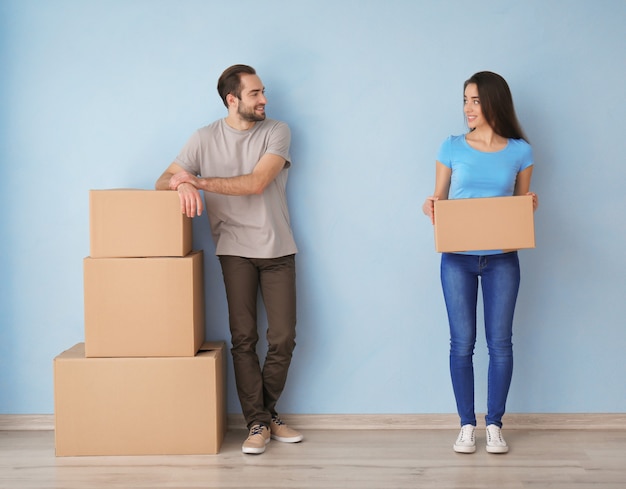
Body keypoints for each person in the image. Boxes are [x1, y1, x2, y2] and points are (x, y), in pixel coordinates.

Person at [156, 64, 302, 455]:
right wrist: (178, 181)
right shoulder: (204, 138)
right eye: (255, 94)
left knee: (283, 338)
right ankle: (258, 422)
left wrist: (194, 181)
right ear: (232, 99)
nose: (264, 100)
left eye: (263, 92)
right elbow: (161, 180)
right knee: (244, 339)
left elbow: (256, 183)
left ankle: (266, 415)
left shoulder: (276, 131)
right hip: (234, 250)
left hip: (277, 249)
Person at [422, 71, 538, 454]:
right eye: (465, 100)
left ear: (493, 102)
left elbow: (519, 207)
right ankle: (467, 424)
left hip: (503, 260)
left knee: (500, 343)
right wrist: (431, 206)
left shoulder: (520, 151)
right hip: (457, 260)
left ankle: (495, 425)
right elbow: (439, 199)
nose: (468, 108)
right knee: (462, 344)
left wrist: (529, 206)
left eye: (475, 100)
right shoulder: (452, 147)